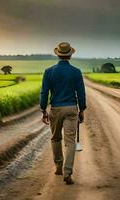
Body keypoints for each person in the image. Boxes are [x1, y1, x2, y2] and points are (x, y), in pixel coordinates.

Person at [40, 42, 86, 185]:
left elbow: (44, 92)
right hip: (71, 108)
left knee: (55, 138)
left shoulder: (49, 71)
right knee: (70, 142)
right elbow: (81, 93)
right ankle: (68, 172)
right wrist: (82, 109)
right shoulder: (76, 72)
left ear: (58, 54)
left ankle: (58, 167)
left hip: (55, 109)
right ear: (70, 55)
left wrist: (43, 109)